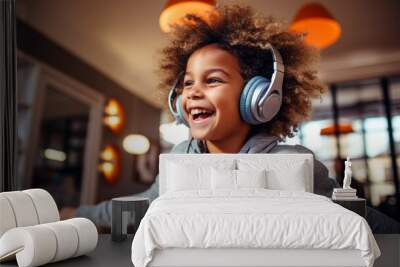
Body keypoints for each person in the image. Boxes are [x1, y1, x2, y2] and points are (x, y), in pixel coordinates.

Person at [60, 3, 400, 233]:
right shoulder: (181, 156)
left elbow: (368, 225)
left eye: (213, 80)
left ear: (261, 99)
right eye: (188, 82)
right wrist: (79, 216)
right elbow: (141, 207)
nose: (192, 91)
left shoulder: (294, 163)